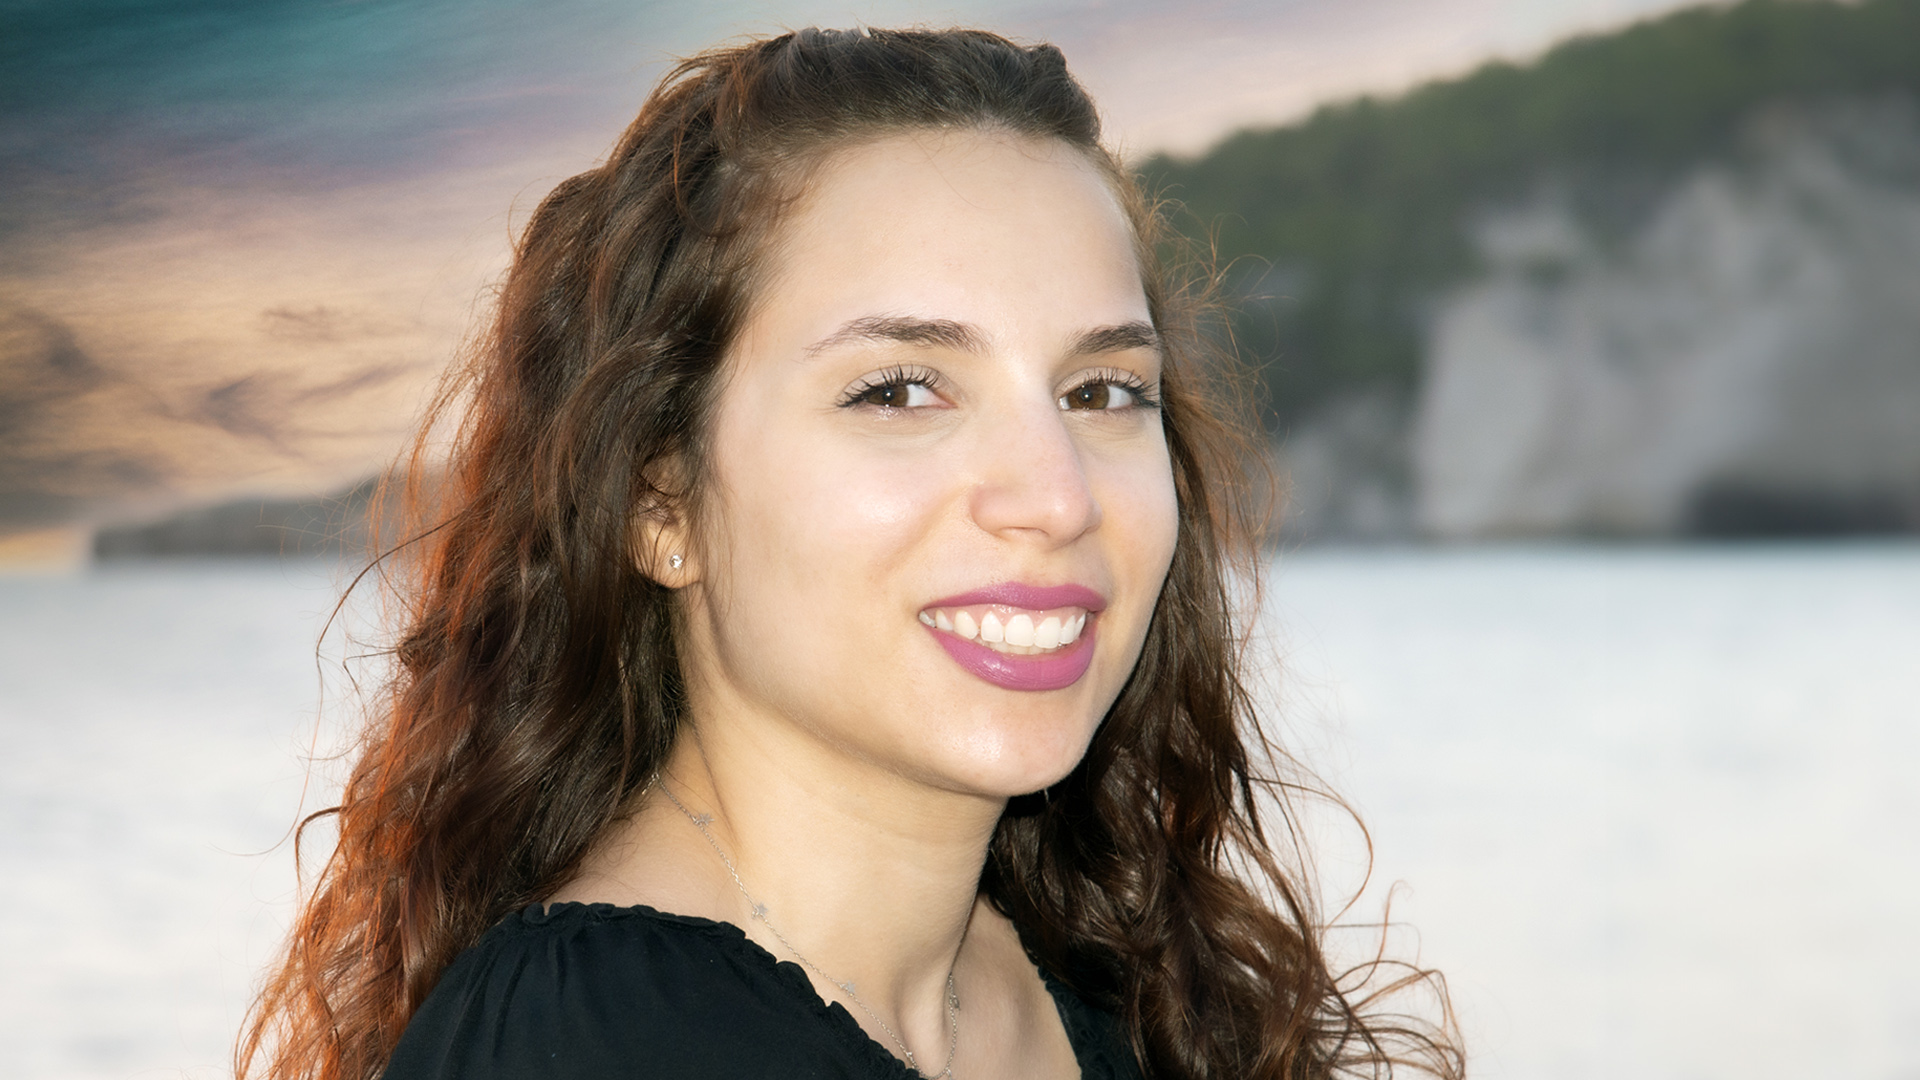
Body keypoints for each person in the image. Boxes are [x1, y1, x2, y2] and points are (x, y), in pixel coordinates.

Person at [239, 27, 1460, 1080]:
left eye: (1101, 390)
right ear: (658, 502)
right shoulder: (587, 1039)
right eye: (898, 390)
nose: (1055, 494)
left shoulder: (1124, 994)